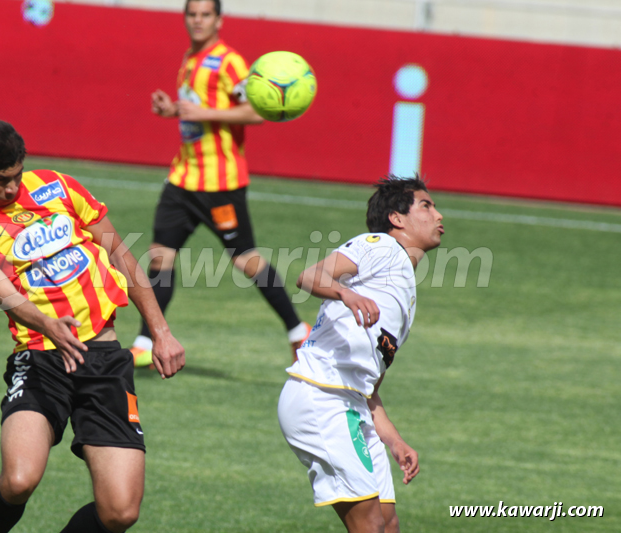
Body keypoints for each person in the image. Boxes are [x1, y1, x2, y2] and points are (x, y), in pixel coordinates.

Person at [0, 118, 185, 533]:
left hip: (105, 359)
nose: (12, 188)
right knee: (20, 480)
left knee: (120, 511)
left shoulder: (57, 186)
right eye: (2, 180)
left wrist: (160, 330)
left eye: (17, 175)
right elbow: (7, 297)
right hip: (40, 361)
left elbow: (120, 256)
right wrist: (48, 324)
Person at [131, 0, 309, 366]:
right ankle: (145, 344)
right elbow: (194, 112)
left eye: (205, 15)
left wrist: (202, 112)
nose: (197, 21)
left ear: (219, 20)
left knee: (246, 260)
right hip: (183, 178)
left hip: (220, 184)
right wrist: (173, 110)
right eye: (192, 14)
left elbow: (257, 111)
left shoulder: (229, 62)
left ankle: (297, 330)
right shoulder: (190, 59)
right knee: (160, 257)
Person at [277, 176, 444, 533]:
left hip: (352, 407)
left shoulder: (405, 294)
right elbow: (310, 276)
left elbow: (369, 390)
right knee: (368, 524)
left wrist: (395, 441)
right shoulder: (380, 245)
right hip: (319, 397)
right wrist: (345, 294)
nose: (439, 215)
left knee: (387, 522)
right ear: (398, 219)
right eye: (426, 206)